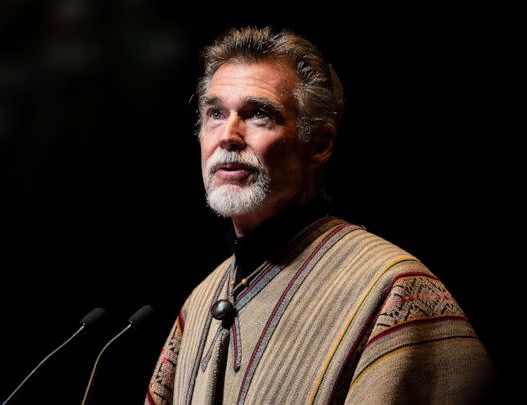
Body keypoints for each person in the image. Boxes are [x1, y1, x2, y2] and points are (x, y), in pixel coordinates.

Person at [145, 26, 494, 405]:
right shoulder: (198, 305)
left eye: (258, 114)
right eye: (215, 113)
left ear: (320, 144)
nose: (228, 135)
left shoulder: (394, 289)